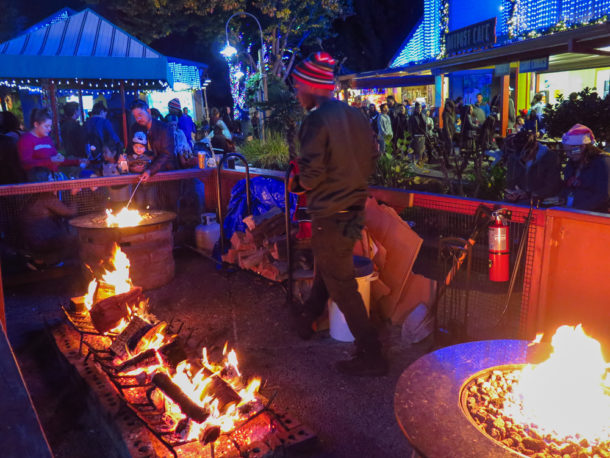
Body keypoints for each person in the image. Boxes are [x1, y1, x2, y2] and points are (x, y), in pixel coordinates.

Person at [289, 52, 386, 376]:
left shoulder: (315, 121)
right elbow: (373, 154)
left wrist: (298, 180)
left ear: (310, 87)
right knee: (331, 270)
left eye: (298, 86)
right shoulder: (356, 116)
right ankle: (307, 318)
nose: (296, 92)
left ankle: (372, 354)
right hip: (354, 209)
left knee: (341, 283)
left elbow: (311, 176)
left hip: (329, 212)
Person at [21, 167, 77, 267]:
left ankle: (40, 262)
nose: (54, 180)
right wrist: (73, 194)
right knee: (73, 232)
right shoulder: (45, 197)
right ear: (44, 181)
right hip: (40, 241)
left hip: (30, 238)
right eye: (51, 178)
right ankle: (55, 262)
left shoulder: (34, 195)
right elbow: (70, 212)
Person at [559, 124, 610, 212]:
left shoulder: (602, 162)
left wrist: (577, 209)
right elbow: (565, 186)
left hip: (592, 215)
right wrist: (562, 197)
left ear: (582, 147)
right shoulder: (572, 162)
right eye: (566, 152)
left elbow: (602, 195)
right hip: (571, 211)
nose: (568, 155)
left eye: (571, 151)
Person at [18, 108, 84, 174]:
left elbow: (58, 159)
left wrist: (78, 161)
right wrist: (50, 161)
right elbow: (25, 164)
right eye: (46, 126)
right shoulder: (26, 139)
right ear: (36, 124)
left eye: (50, 126)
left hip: (52, 176)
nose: (49, 129)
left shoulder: (47, 139)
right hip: (38, 180)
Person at [503, 130, 562, 203]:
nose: (522, 157)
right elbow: (510, 182)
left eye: (526, 153)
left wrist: (529, 194)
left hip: (541, 201)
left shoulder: (550, 158)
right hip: (519, 199)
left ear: (535, 146)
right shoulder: (514, 158)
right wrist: (513, 192)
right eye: (518, 154)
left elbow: (552, 187)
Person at [129, 99, 175, 182]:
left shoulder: (164, 128)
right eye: (135, 117)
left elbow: (167, 154)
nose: (138, 119)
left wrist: (150, 170)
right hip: (142, 174)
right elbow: (131, 148)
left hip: (165, 174)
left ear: (148, 112)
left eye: (140, 115)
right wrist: (132, 163)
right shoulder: (135, 128)